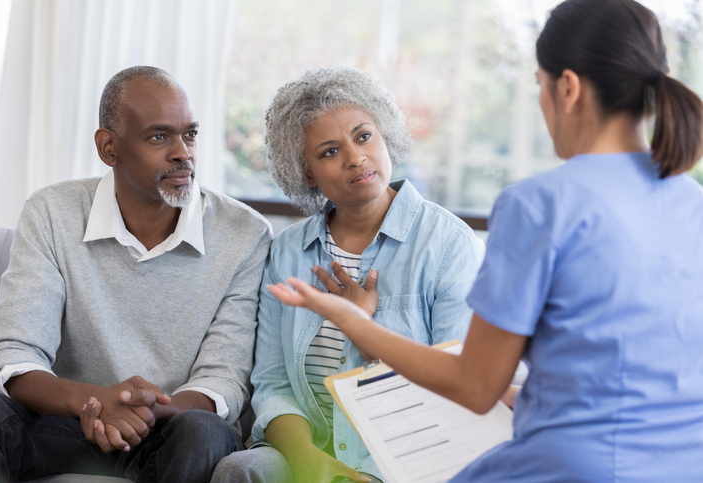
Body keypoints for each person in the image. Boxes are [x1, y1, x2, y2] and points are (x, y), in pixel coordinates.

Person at [267, 1, 703, 481]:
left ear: (568, 88)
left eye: (539, 85)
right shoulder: (693, 203)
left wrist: (356, 323)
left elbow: (474, 385)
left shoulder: (538, 205)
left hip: (575, 466)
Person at [0, 66, 272, 482]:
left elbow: (223, 379)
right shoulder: (51, 211)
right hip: (66, 424)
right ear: (108, 148)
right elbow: (13, 355)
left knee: (205, 432)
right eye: (159, 136)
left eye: (189, 134)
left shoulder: (245, 233)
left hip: (172, 430)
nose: (183, 153)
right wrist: (95, 401)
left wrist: (147, 408)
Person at [212, 66, 493, 483]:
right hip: (307, 452)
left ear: (385, 135)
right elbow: (273, 383)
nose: (355, 157)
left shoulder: (451, 245)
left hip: (404, 457)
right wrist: (309, 459)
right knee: (241, 470)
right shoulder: (288, 251)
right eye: (329, 151)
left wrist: (363, 332)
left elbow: (456, 391)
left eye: (363, 136)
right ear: (306, 171)